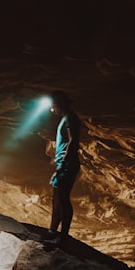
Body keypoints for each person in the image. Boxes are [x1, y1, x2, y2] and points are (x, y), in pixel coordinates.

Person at [48, 89, 81, 238]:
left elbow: (73, 141)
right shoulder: (66, 118)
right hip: (63, 163)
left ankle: (63, 236)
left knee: (63, 198)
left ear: (60, 103)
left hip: (68, 163)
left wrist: (63, 164)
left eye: (53, 105)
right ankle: (52, 231)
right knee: (56, 198)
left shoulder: (71, 118)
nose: (51, 109)